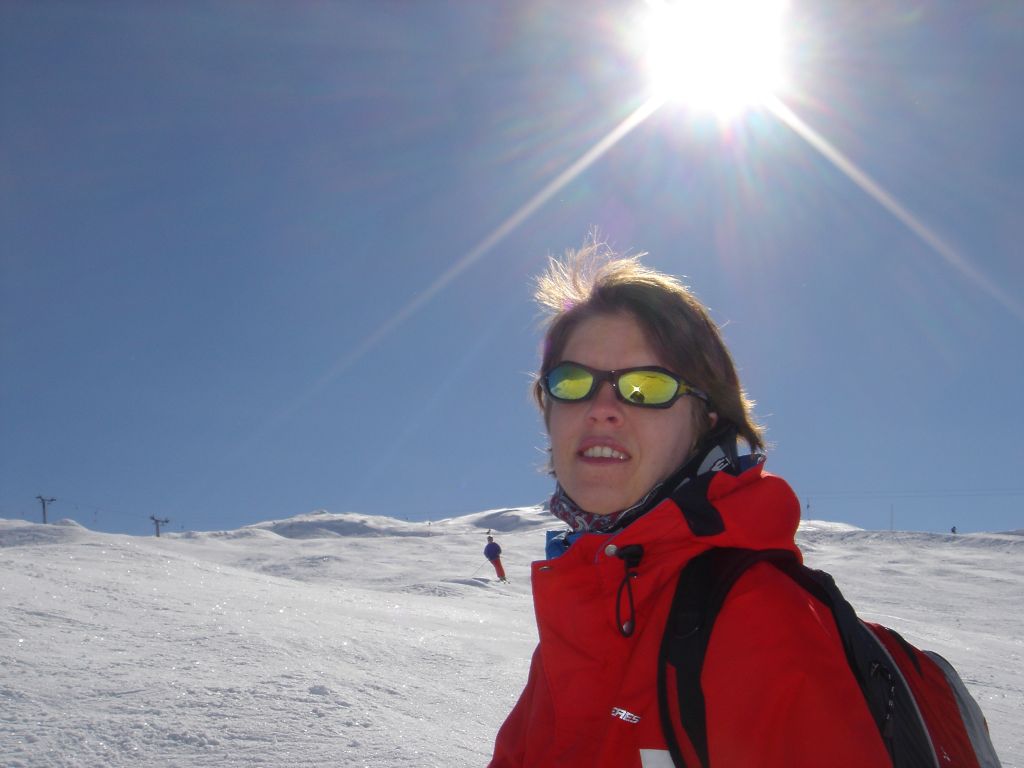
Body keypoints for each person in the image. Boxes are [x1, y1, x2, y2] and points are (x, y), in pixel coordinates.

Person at [488, 242, 892, 767]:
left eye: (647, 386)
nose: (601, 409)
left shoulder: (757, 623)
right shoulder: (575, 625)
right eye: (573, 381)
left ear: (707, 420)